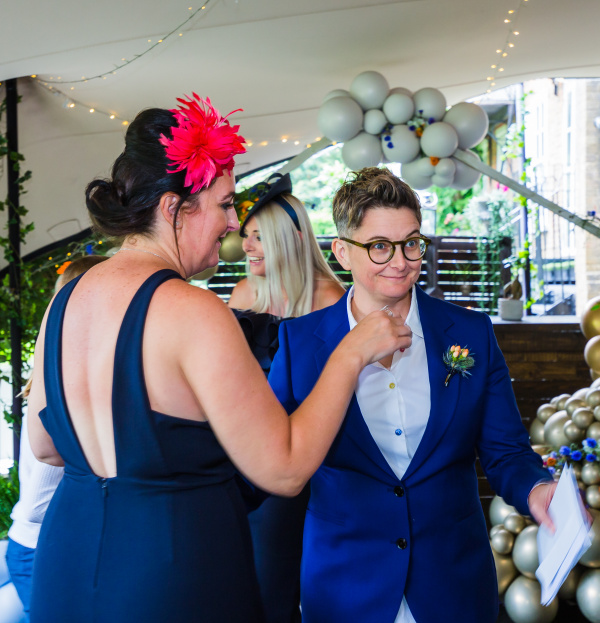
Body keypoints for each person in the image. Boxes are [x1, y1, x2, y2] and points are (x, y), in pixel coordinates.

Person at [25, 95, 409, 623]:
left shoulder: (65, 301)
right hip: (170, 574)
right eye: (225, 204)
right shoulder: (193, 310)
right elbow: (284, 470)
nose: (232, 223)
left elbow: (45, 446)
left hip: (65, 565)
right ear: (174, 209)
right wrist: (352, 352)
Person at [268, 166, 557, 623]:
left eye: (411, 243)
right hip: (344, 589)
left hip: (453, 586)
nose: (401, 261)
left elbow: (506, 452)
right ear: (342, 252)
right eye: (380, 246)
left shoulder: (471, 333)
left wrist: (537, 489)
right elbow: (274, 459)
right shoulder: (299, 344)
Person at [228, 172, 345, 623]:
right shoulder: (243, 293)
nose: (247, 246)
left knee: (292, 585)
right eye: (246, 235)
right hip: (248, 455)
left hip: (312, 458)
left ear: (293, 238)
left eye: (259, 236)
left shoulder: (332, 300)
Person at [5, 255, 107, 622]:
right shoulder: (65, 379)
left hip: (39, 544)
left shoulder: (62, 366)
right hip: (38, 547)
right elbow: (38, 505)